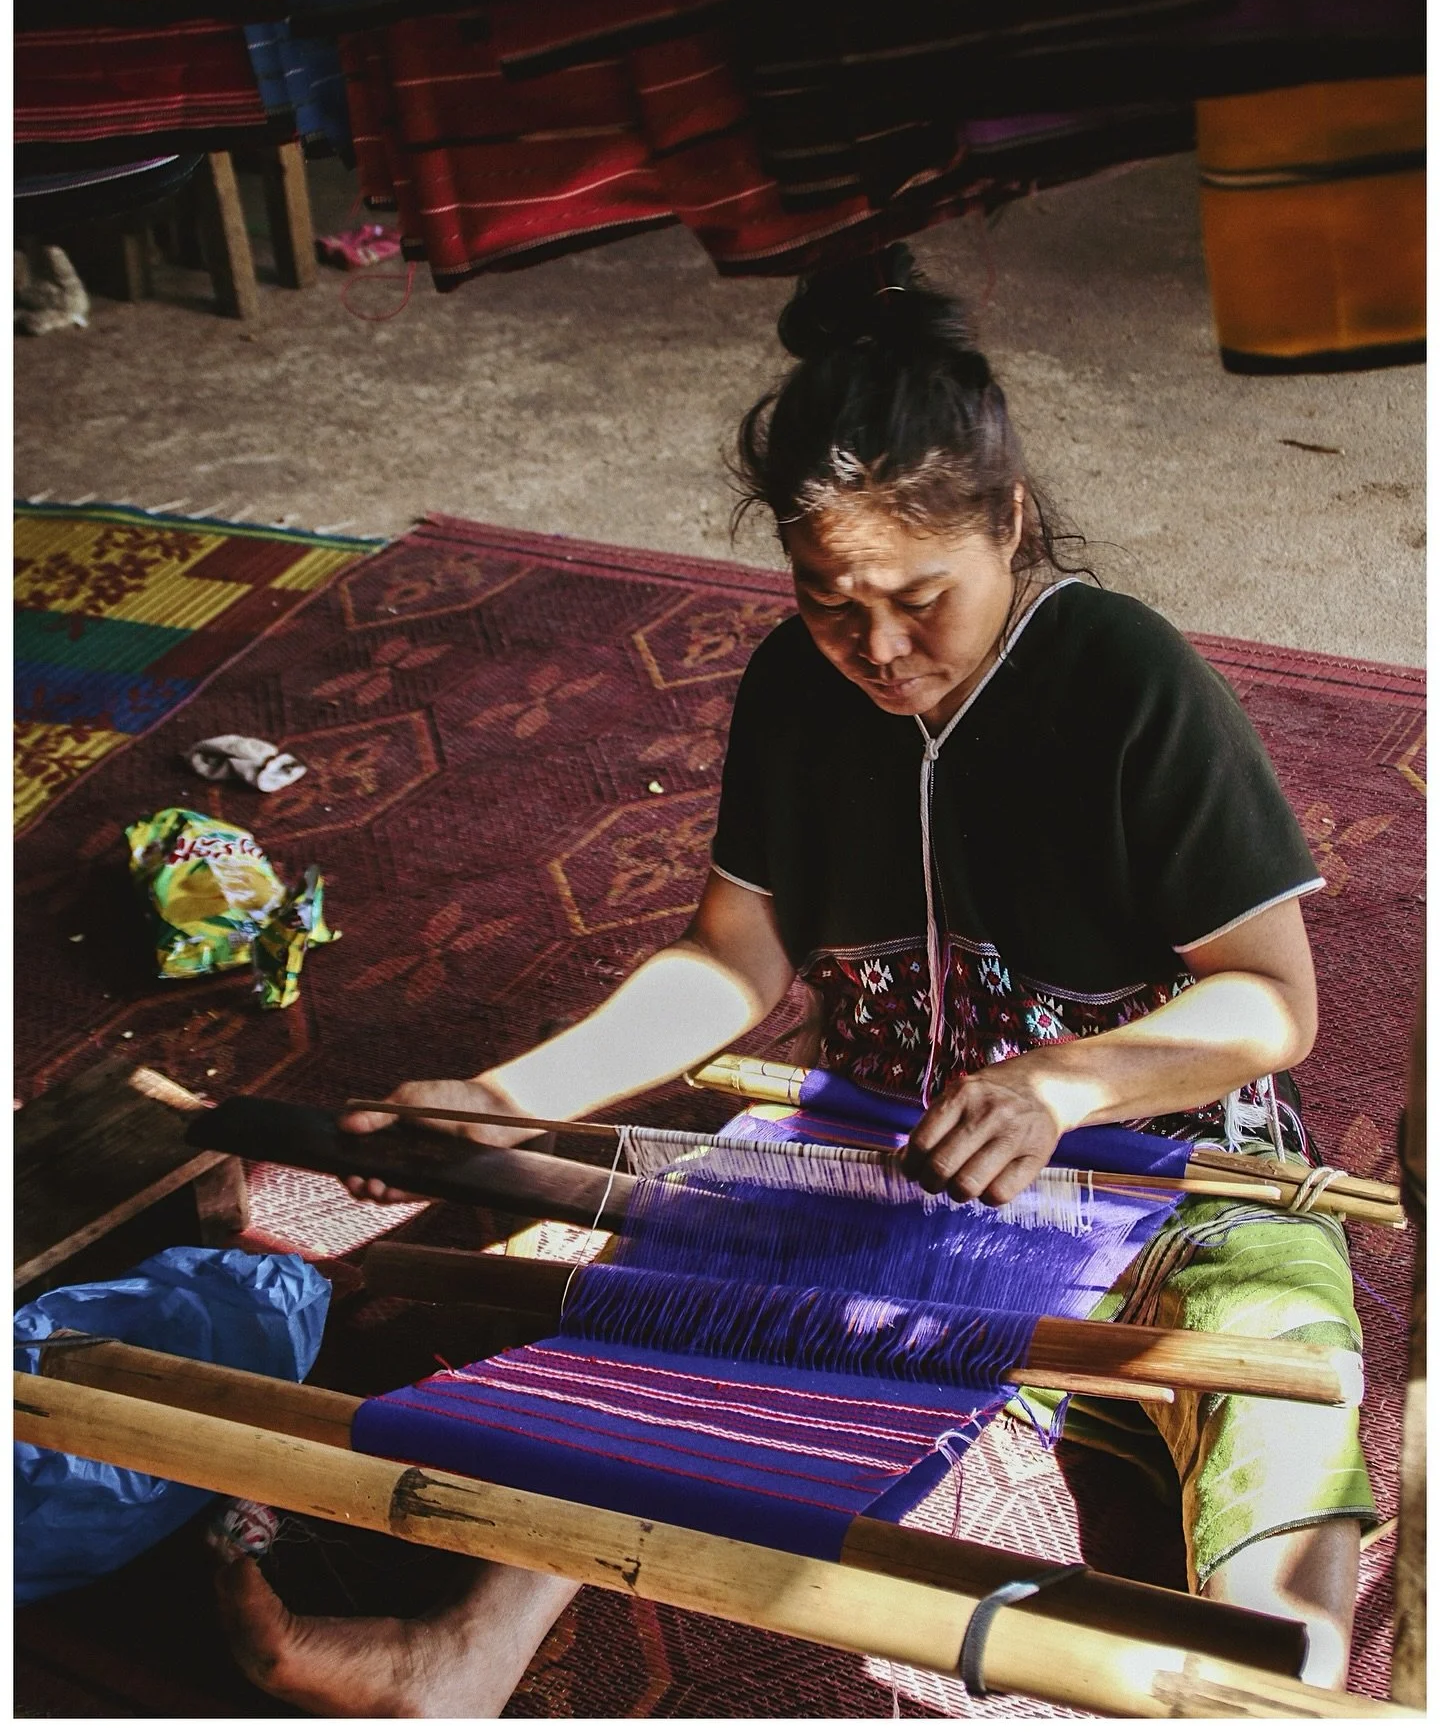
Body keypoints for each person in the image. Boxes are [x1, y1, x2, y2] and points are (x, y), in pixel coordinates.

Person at [216, 247, 1375, 1714]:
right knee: (686, 1303)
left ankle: (1286, 1686)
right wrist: (510, 1101)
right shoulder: (793, 686)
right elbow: (730, 957)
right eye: (833, 603)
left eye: (921, 599)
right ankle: (465, 1653)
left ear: (1011, 524)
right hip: (894, 1162)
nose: (880, 650)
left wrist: (1062, 1085)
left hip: (1167, 1165)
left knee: (1280, 1360)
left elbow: (1273, 1001)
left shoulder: (1126, 679)